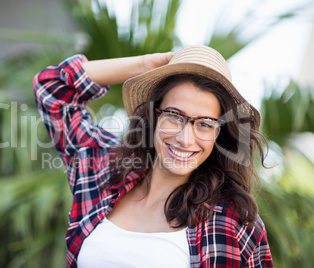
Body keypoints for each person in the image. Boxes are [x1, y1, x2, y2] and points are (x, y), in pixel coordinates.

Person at [33, 45, 274, 268]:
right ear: (154, 116)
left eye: (204, 124)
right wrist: (142, 65)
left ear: (219, 134)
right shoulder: (105, 171)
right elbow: (51, 88)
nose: (185, 139)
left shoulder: (233, 223)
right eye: (174, 116)